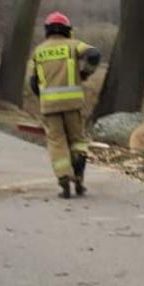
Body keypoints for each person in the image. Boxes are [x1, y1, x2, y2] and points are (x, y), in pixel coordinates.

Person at [28, 11, 102, 199]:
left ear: (47, 31)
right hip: (72, 104)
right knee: (77, 140)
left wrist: (42, 97)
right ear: (67, 30)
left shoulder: (38, 51)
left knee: (56, 141)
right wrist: (86, 73)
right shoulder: (73, 46)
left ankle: (63, 179)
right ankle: (79, 177)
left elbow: (33, 81)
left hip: (49, 107)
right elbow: (94, 54)